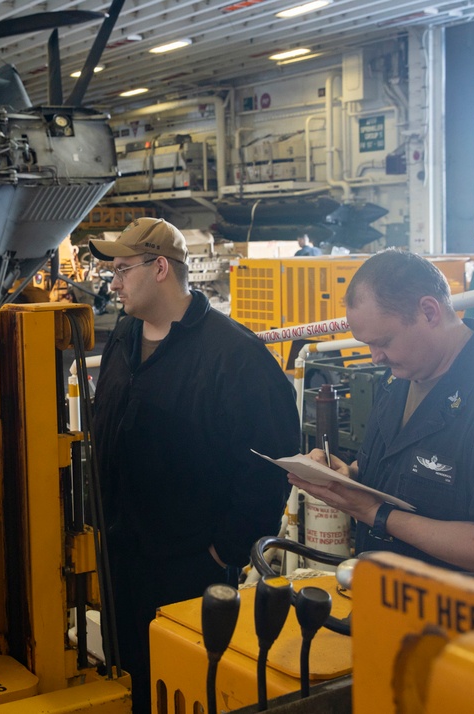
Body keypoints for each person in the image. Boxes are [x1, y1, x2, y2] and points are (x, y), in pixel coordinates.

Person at [89, 218, 300, 713]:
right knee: (132, 681)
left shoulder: (234, 355)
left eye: (122, 270)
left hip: (187, 567)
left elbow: (268, 464)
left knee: (186, 686)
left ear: (160, 267)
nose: (113, 283)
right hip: (121, 554)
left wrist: (221, 549)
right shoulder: (123, 338)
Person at [289, 249, 474, 575]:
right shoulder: (401, 379)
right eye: (367, 344)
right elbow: (387, 470)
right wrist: (345, 479)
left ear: (428, 312)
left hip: (460, 617)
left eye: (384, 341)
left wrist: (377, 515)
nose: (375, 357)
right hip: (384, 598)